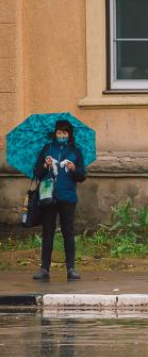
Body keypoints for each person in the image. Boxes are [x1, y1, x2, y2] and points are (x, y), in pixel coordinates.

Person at [32, 120, 87, 281]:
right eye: (59, 133)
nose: (61, 135)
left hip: (68, 197)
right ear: (55, 134)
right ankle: (44, 268)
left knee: (68, 232)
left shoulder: (75, 151)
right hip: (48, 197)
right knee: (47, 232)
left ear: (69, 135)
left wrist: (73, 169)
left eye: (64, 133)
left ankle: (71, 268)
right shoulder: (47, 149)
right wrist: (45, 164)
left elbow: (82, 175)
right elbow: (37, 172)